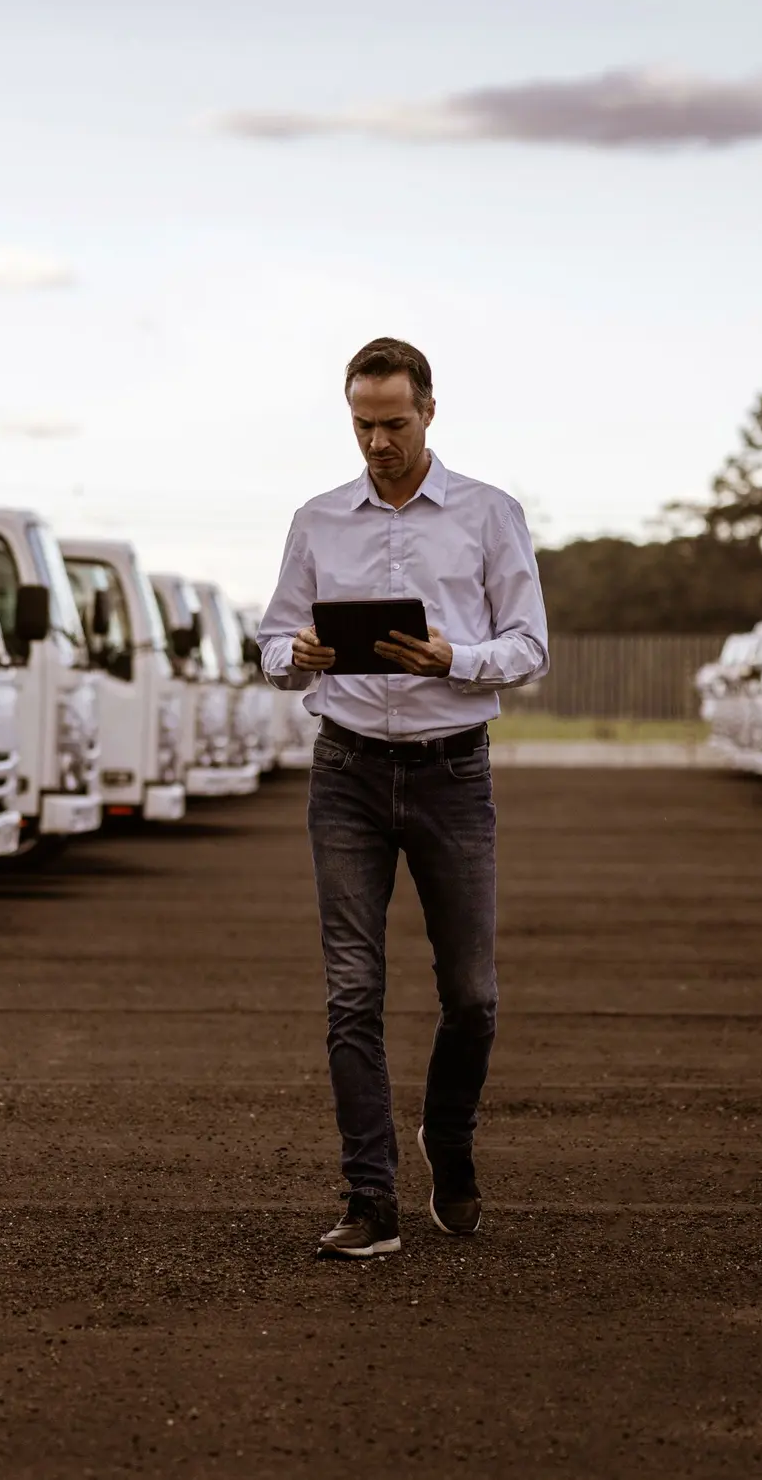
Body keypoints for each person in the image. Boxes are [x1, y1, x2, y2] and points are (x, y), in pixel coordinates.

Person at [256, 337, 548, 1259]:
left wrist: (452, 659)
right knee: (353, 992)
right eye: (361, 424)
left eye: (392, 423)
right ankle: (369, 1198)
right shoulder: (317, 520)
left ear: (429, 412)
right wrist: (292, 655)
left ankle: (449, 1139)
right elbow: (270, 640)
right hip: (344, 770)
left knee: (472, 995)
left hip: (452, 771)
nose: (376, 442)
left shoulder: (490, 516)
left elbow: (530, 648)